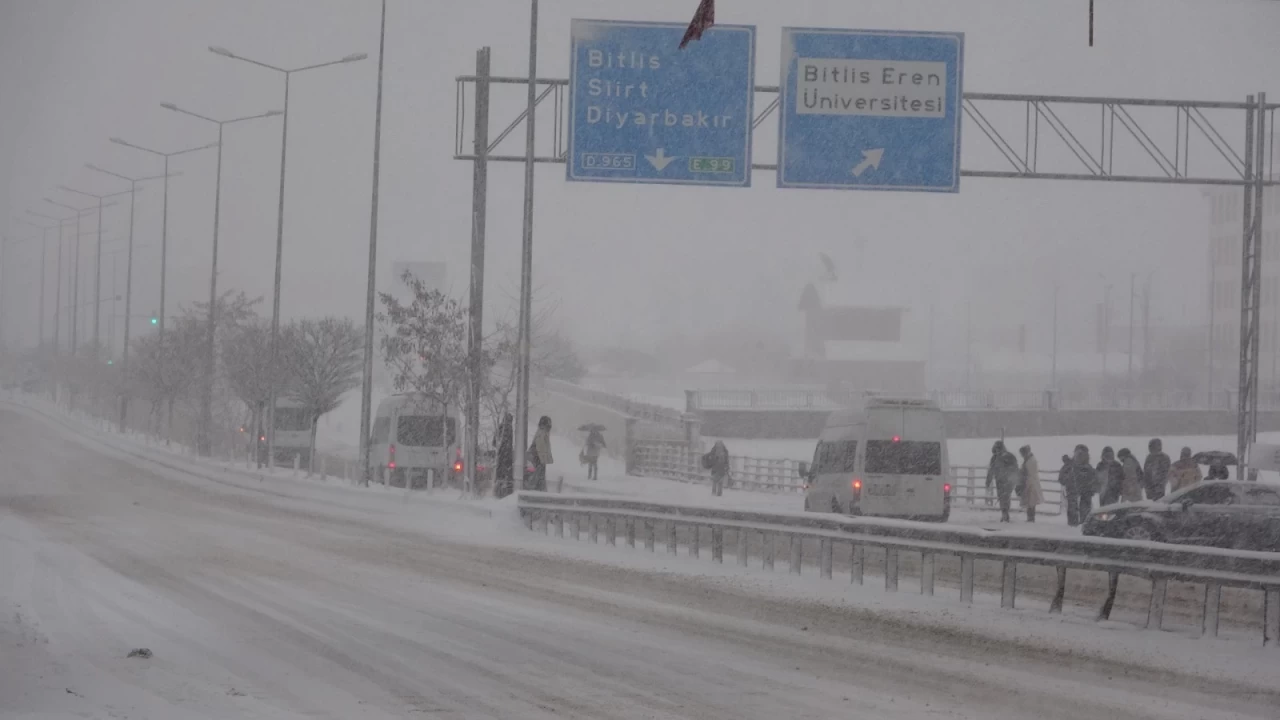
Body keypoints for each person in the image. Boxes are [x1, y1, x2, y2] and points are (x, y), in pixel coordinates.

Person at [986, 441, 1020, 522]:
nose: (997, 451)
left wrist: (1013, 478)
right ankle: (1004, 513)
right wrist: (988, 480)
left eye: (998, 449)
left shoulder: (1008, 457)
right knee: (1001, 497)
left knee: (1005, 496)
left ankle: (1005, 513)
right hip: (1000, 481)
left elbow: (1015, 468)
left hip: (1008, 481)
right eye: (996, 449)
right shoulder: (994, 458)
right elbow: (991, 470)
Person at [528, 415, 554, 492]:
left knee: (538, 477)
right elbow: (541, 447)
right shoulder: (542, 433)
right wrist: (543, 459)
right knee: (538, 477)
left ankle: (540, 491)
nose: (550, 426)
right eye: (549, 424)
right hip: (538, 459)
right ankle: (539, 492)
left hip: (538, 458)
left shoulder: (542, 432)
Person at [1018, 445, 1044, 522]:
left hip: (1030, 483)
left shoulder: (1029, 461)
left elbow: (1027, 471)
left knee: (1031, 502)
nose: (1022, 455)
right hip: (1031, 482)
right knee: (1031, 502)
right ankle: (1030, 517)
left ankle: (1031, 518)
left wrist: (1021, 473)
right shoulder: (1030, 459)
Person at [1058, 454, 1081, 526]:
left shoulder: (1066, 467)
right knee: (1074, 506)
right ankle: (1074, 521)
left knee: (1071, 506)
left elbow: (1061, 479)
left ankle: (1072, 522)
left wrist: (1066, 481)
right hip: (1075, 488)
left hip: (1071, 489)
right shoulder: (1073, 465)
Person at [495, 413, 514, 498]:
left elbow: (494, 442)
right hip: (506, 456)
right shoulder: (508, 428)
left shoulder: (500, 427)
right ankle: (503, 495)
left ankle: (497, 493)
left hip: (500, 455)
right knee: (506, 476)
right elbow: (508, 444)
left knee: (499, 476)